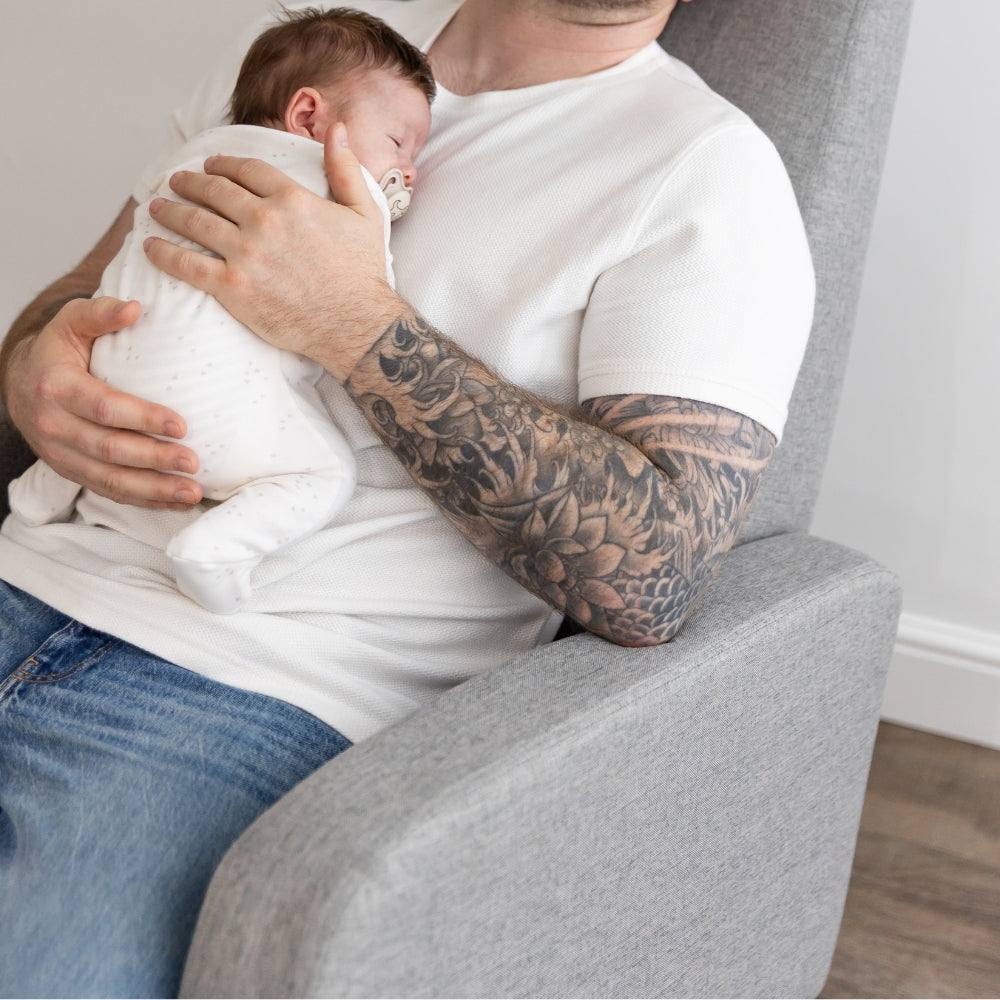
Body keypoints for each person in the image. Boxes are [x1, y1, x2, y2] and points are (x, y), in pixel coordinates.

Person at [0, 0, 815, 995]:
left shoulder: (708, 172)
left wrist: (353, 323)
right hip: (32, 566)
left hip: (258, 685)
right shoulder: (316, 42)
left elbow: (658, 573)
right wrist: (31, 367)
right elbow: (83, 287)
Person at [6, 7, 434, 614]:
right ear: (307, 116)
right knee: (325, 474)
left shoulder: (195, 158)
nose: (410, 169)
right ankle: (214, 550)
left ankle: (38, 494)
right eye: (397, 143)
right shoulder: (336, 192)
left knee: (104, 392)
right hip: (206, 422)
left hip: (99, 381)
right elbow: (367, 294)